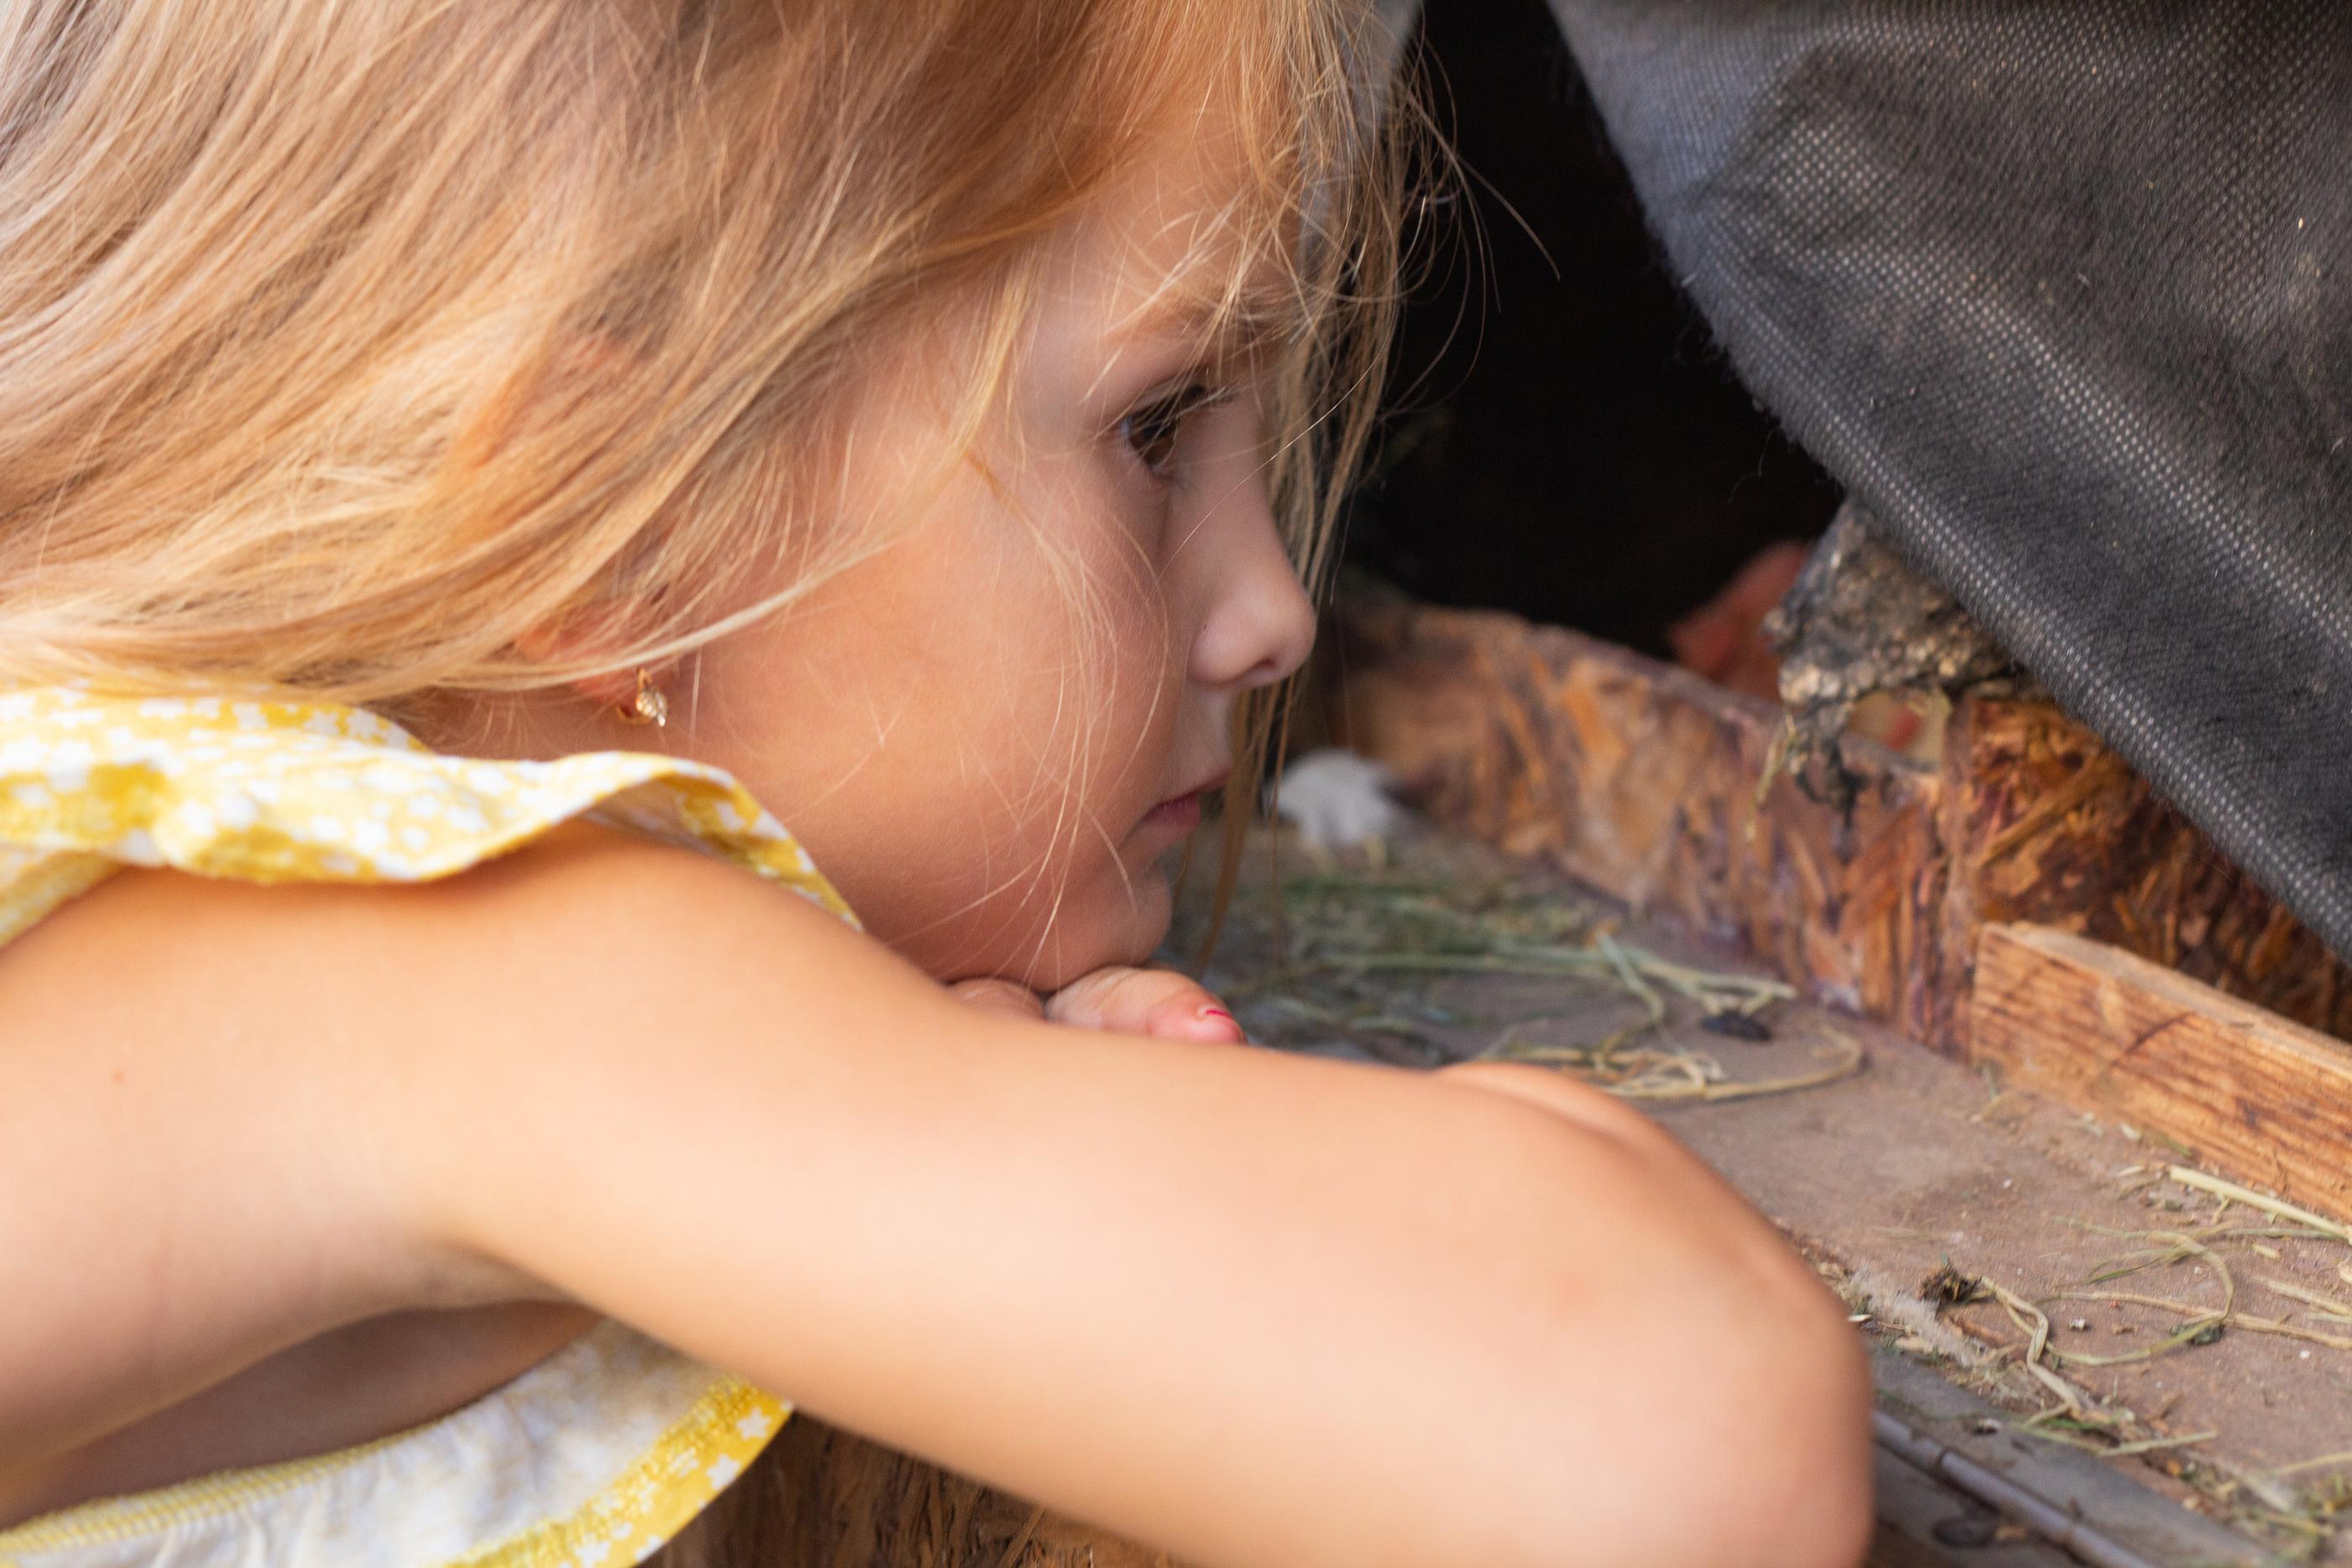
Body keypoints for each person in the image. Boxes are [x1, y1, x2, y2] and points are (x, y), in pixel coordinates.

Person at [0, 4, 1872, 1564]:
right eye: (1153, 428)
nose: (1274, 609)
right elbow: (1667, 1434)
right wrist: (1081, 1135)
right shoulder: (464, 965)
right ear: (627, 520)